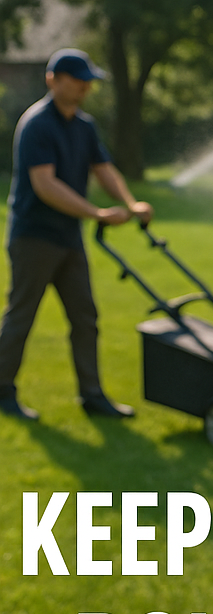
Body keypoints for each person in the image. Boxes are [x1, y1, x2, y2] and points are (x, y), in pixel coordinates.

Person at [0, 48, 153, 420]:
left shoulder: (84, 125)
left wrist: (131, 204)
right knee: (22, 316)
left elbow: (103, 169)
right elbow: (45, 185)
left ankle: (92, 395)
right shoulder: (37, 124)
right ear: (53, 79)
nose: (85, 87)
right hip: (33, 236)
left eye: (88, 81)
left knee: (85, 317)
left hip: (68, 238)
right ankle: (3, 390)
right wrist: (97, 213)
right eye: (78, 79)